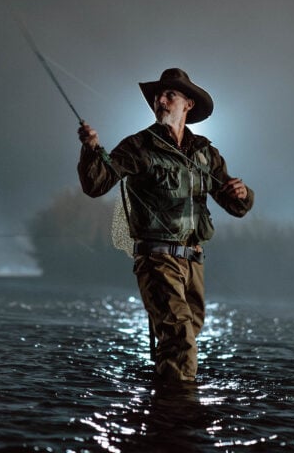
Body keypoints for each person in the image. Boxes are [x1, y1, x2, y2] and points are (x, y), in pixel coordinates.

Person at [77, 68, 254, 384]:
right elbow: (95, 184)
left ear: (188, 104)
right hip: (156, 259)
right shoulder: (138, 146)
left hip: (194, 262)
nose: (161, 99)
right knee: (179, 339)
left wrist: (242, 193)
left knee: (186, 334)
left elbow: (235, 205)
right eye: (158, 95)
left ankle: (162, 409)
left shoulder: (205, 153)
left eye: (170, 94)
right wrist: (91, 149)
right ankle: (178, 422)